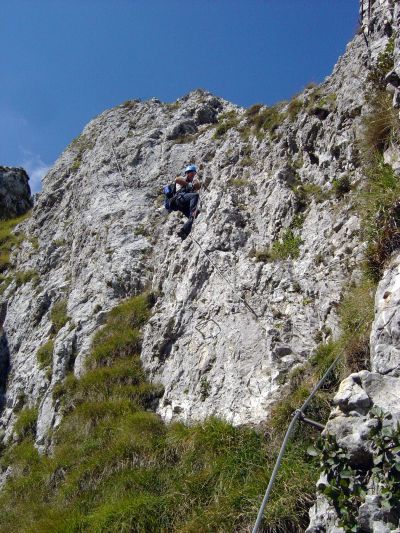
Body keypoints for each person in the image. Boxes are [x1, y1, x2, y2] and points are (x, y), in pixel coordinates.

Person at [174, 164, 201, 240]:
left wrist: (196, 180)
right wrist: (188, 184)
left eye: (194, 174)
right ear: (187, 173)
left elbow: (197, 186)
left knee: (192, 218)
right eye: (192, 174)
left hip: (184, 204)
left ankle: (184, 232)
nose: (193, 175)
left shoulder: (192, 182)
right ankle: (193, 211)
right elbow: (176, 180)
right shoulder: (182, 178)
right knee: (195, 195)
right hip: (179, 199)